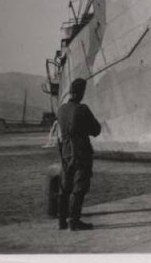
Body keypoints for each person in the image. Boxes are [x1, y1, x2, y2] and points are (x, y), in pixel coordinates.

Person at [57, 78, 102, 231]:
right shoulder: (82, 109)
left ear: (70, 91)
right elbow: (96, 130)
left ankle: (61, 221)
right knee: (80, 188)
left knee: (65, 188)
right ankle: (74, 221)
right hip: (81, 153)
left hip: (65, 153)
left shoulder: (61, 109)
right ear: (81, 92)